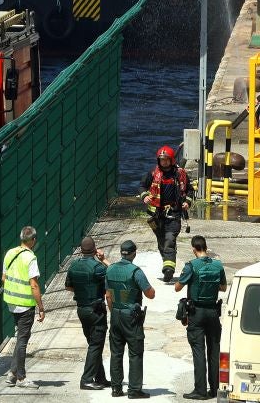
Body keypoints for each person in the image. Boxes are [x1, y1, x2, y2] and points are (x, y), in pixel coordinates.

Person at [174, 235, 228, 400]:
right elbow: (224, 288)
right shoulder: (218, 265)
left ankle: (200, 390)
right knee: (214, 350)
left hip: (196, 313)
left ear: (193, 249)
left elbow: (177, 287)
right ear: (206, 247)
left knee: (198, 351)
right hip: (213, 312)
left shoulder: (191, 266)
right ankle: (215, 388)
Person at [105, 240, 156, 399]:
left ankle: (116, 388)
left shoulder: (110, 269)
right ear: (134, 253)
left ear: (121, 252)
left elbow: (108, 295)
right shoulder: (136, 271)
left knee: (116, 353)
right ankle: (134, 390)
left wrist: (114, 311)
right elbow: (150, 294)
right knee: (135, 353)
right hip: (131, 317)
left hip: (116, 314)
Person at [140, 146, 193, 282]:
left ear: (171, 160)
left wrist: (187, 202)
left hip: (174, 214)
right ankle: (167, 263)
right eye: (161, 160)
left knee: (170, 240)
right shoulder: (152, 174)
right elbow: (142, 186)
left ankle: (169, 270)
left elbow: (190, 190)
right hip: (157, 215)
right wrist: (145, 196)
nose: (163, 162)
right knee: (161, 242)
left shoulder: (180, 174)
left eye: (166, 160)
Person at [65, 236, 111, 391]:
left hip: (82, 310)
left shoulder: (73, 265)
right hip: (96, 310)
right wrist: (103, 259)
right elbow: (114, 273)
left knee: (93, 344)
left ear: (80, 250)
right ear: (94, 250)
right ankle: (86, 380)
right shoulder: (98, 267)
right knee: (96, 344)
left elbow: (69, 287)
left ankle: (100, 377)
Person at [2, 226, 45, 390]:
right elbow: (34, 285)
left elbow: (3, 278)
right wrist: (41, 307)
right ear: (33, 240)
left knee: (21, 337)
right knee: (22, 340)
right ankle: (21, 377)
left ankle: (12, 374)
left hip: (11, 302)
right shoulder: (30, 258)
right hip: (25, 305)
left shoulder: (10, 253)